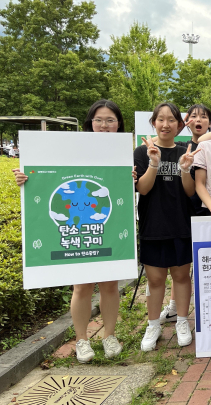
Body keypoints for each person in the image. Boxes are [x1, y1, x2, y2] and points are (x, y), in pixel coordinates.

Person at [12, 100, 131, 363]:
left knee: (110, 283)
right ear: (90, 123)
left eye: (110, 120)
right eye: (99, 120)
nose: (104, 125)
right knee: (82, 285)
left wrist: (129, 177)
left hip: (106, 223)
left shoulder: (124, 151)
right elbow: (45, 175)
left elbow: (127, 185)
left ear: (118, 124)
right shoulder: (69, 148)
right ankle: (82, 340)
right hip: (75, 227)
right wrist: (25, 178)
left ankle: (109, 336)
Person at [134, 102, 200, 351]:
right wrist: (153, 163)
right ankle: (153, 325)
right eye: (160, 119)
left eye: (171, 119)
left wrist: (185, 169)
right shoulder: (142, 152)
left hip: (181, 223)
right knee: (155, 279)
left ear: (179, 125)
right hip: (153, 224)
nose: (165, 124)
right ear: (153, 123)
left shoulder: (186, 150)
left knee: (182, 276)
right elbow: (143, 188)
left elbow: (191, 191)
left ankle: (182, 321)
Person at [159, 104, 211, 324]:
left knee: (207, 261)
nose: (198, 120)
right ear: (186, 122)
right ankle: (174, 307)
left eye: (204, 117)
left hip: (209, 209)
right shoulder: (181, 146)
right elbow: (157, 140)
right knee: (180, 263)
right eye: (193, 116)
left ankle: (208, 305)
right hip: (184, 210)